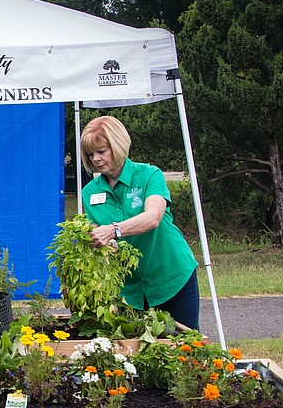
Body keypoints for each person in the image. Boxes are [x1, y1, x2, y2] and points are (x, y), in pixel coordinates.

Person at [80, 115, 200, 329]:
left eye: (101, 151)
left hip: (171, 276)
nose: (95, 159)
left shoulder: (149, 175)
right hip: (129, 288)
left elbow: (153, 218)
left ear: (118, 145)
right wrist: (104, 244)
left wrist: (114, 230)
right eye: (90, 154)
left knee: (185, 345)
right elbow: (97, 235)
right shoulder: (89, 193)